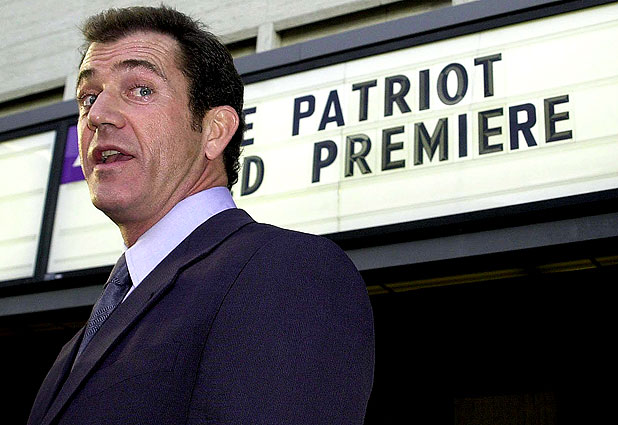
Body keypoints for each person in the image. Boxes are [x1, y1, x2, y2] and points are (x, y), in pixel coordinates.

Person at [27, 5, 374, 425]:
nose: (98, 116)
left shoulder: (288, 271)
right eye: (88, 97)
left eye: (141, 90)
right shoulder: (81, 342)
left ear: (215, 131)